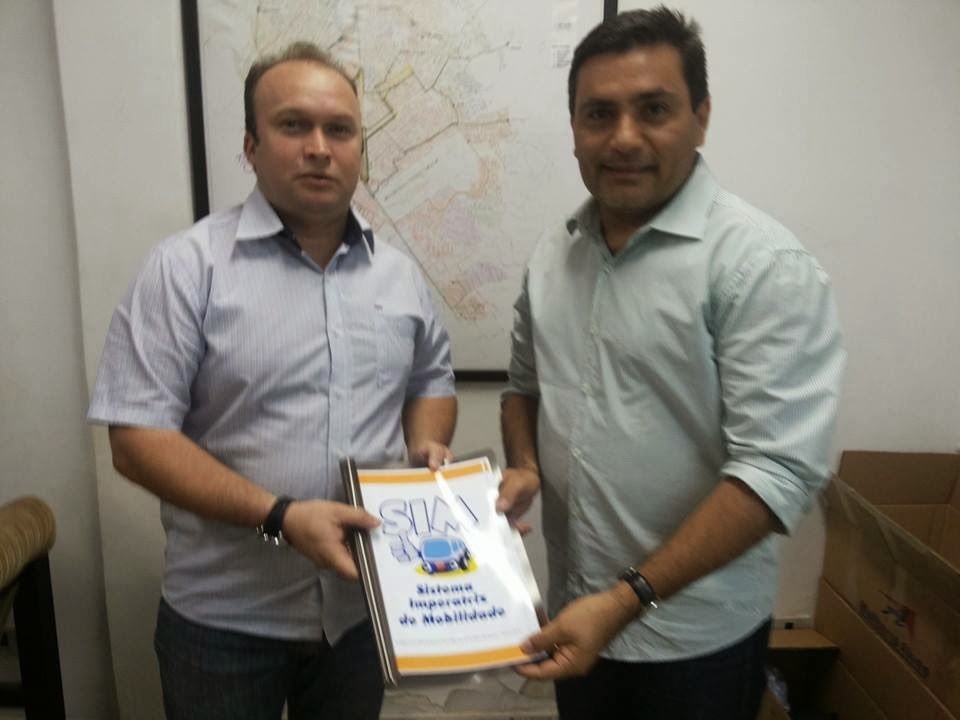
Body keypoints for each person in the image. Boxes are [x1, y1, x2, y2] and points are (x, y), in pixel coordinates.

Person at [88, 41, 457, 720]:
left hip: (360, 611)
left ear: (360, 149)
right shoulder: (186, 269)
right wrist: (280, 518)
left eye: (339, 129)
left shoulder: (400, 277)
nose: (319, 148)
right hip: (225, 620)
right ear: (251, 147)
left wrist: (426, 450)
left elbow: (429, 380)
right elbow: (136, 440)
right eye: (293, 126)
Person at [497, 7, 845, 719]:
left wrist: (625, 600)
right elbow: (524, 386)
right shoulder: (553, 254)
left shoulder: (761, 265)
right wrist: (526, 463)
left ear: (701, 118)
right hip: (576, 613)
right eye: (599, 114)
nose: (624, 137)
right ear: (574, 129)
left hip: (694, 640)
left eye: (653, 110)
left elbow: (775, 472)